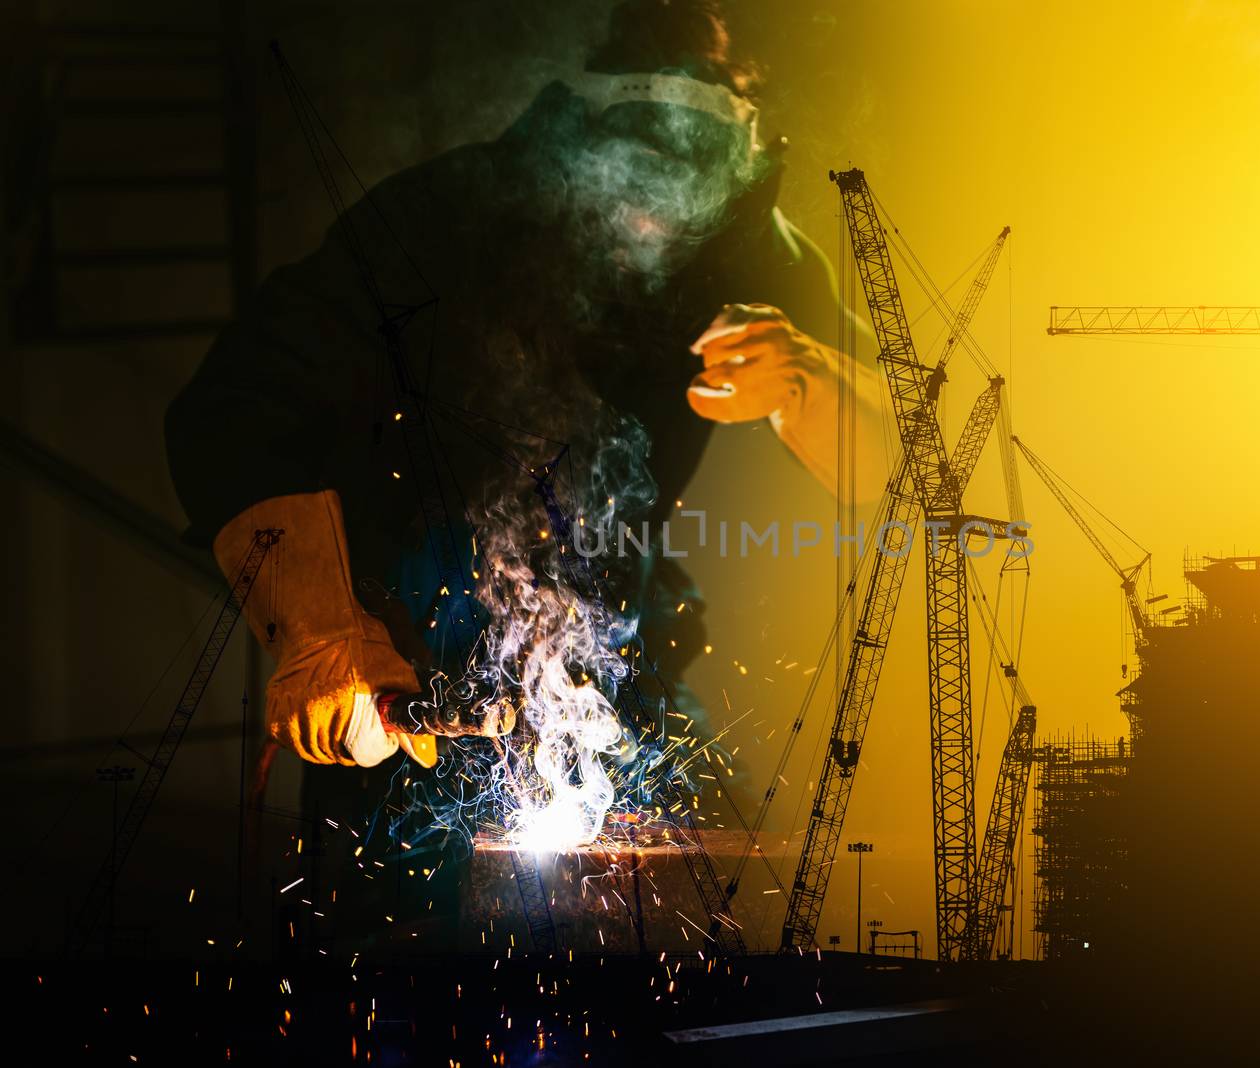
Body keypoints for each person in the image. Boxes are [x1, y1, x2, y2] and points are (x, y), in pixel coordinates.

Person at [167, 0, 885, 782]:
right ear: (578, 150)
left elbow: (922, 462)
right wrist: (317, 622)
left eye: (680, 217)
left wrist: (818, 380)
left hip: (618, 647)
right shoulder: (443, 219)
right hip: (406, 669)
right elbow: (232, 405)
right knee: (418, 890)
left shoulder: (753, 251)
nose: (649, 233)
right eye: (627, 197)